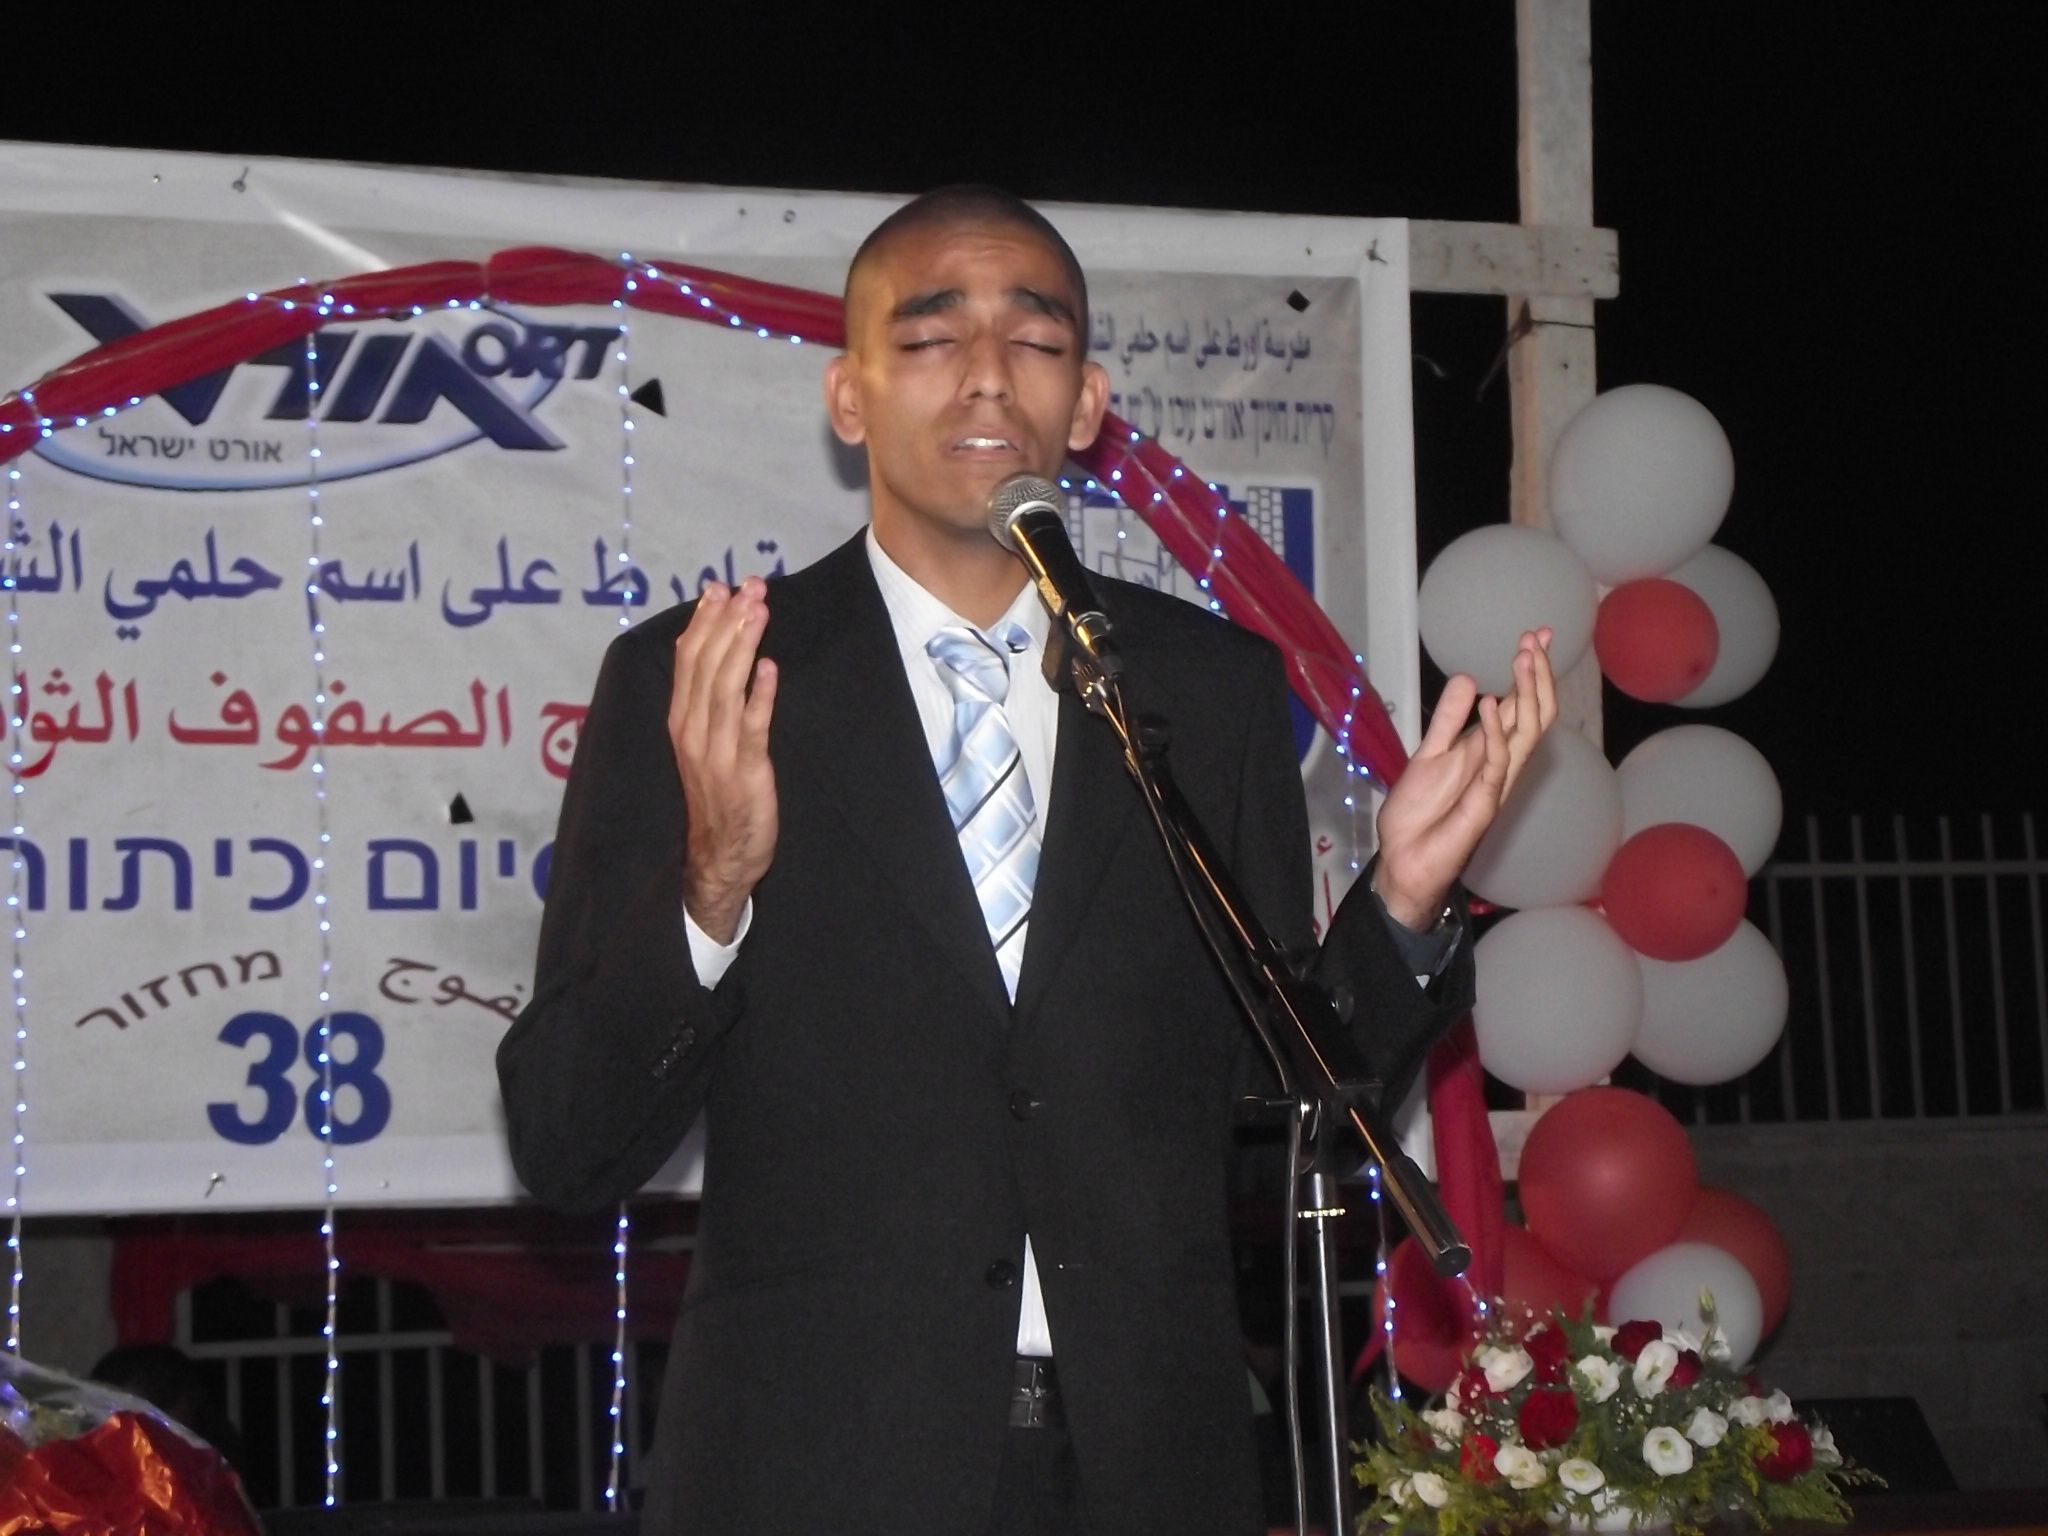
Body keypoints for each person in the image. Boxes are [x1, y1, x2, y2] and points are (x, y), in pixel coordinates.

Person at [496, 185, 1555, 1535]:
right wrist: (710, 887)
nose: (990, 372)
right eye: (933, 337)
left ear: (1090, 402)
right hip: (817, 1469)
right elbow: (567, 1139)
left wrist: (1399, 902)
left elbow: (1274, 1098)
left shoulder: (1200, 689)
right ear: (848, 397)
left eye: (1038, 340)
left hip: (1147, 1470)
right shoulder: (711, 680)